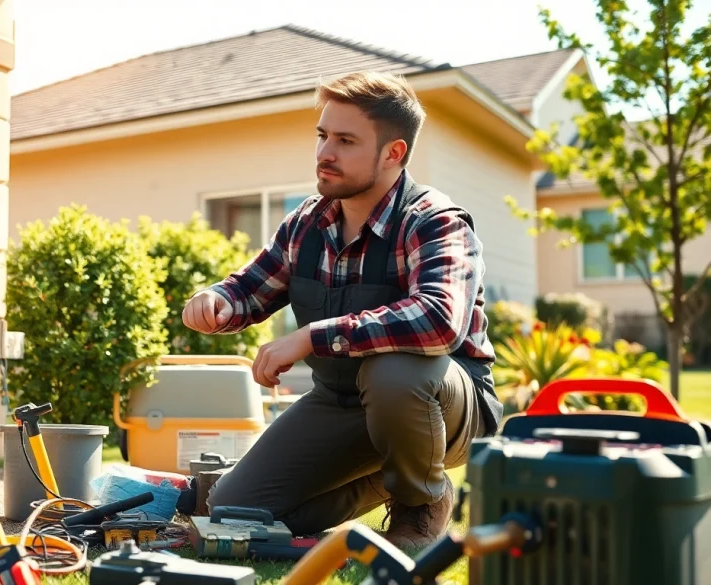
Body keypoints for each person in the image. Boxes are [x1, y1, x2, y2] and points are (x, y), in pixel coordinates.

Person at [180, 70, 504, 553]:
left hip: (442, 402)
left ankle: (422, 504)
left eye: (346, 140)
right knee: (235, 511)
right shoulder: (306, 224)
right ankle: (387, 478)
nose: (324, 153)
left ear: (394, 153)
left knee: (396, 373)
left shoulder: (434, 221)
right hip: (340, 401)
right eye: (322, 135)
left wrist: (311, 337)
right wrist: (214, 302)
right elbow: (249, 289)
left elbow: (439, 321)